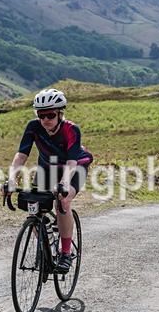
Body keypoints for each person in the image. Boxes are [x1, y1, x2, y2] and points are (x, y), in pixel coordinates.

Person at [5, 88, 93, 273]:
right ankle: (47, 244)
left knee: (63, 200)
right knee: (33, 209)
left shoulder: (71, 130)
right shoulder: (34, 126)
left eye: (50, 115)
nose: (45, 120)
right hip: (47, 167)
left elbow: (71, 162)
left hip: (75, 166)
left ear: (60, 113)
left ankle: (66, 253)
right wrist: (11, 179)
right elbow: (21, 155)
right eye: (41, 115)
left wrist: (65, 184)